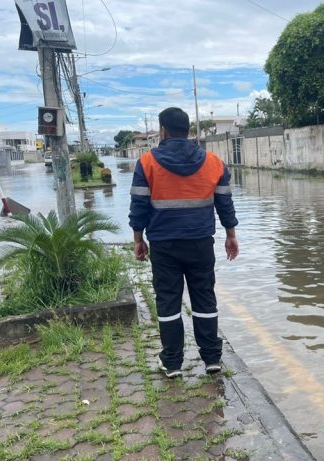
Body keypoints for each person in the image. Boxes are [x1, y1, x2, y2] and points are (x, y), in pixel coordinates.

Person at [129, 107, 239, 379]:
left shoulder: (146, 163)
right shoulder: (214, 163)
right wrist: (231, 235)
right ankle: (212, 359)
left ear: (163, 130)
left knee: (168, 301)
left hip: (164, 245)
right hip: (200, 242)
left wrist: (138, 239)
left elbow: (138, 206)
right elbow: (225, 203)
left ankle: (173, 362)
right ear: (189, 130)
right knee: (204, 297)